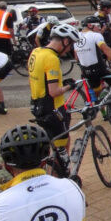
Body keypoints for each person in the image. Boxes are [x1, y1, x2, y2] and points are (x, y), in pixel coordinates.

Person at [28, 23, 82, 158]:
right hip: (53, 108)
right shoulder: (52, 58)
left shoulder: (36, 52)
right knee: (61, 149)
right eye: (70, 45)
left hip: (37, 105)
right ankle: (61, 176)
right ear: (65, 41)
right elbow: (54, 92)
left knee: (56, 143)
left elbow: (40, 78)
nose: (70, 48)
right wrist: (70, 86)